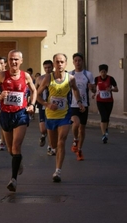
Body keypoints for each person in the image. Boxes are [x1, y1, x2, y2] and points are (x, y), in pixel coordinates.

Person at [0, 50, 37, 192]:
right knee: (11, 149)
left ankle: (13, 179)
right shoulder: (2, 75)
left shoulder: (26, 76)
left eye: (16, 59)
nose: (13, 62)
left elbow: (34, 91)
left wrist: (32, 105)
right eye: (11, 59)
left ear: (21, 61)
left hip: (21, 114)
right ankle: (18, 160)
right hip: (6, 114)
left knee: (16, 145)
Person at [36, 53, 85, 182]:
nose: (60, 64)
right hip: (50, 115)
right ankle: (50, 145)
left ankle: (58, 171)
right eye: (57, 62)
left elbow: (75, 90)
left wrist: (79, 102)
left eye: (62, 62)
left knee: (61, 141)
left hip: (64, 114)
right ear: (54, 64)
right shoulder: (48, 78)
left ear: (66, 64)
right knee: (53, 144)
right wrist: (47, 104)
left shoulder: (70, 78)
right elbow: (37, 95)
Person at [69, 53, 95, 160]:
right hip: (73, 105)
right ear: (73, 62)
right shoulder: (70, 74)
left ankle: (79, 150)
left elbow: (94, 90)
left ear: (82, 61)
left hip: (84, 105)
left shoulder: (88, 74)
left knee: (82, 129)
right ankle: (75, 139)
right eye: (75, 60)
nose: (78, 62)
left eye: (79, 60)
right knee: (76, 123)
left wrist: (92, 88)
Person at [93, 64, 118, 144]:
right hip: (100, 101)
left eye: (104, 72)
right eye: (101, 72)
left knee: (107, 117)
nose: (103, 73)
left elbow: (117, 89)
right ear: (99, 72)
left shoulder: (111, 79)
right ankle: (104, 135)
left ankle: (106, 129)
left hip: (109, 101)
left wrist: (111, 89)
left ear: (106, 72)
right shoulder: (96, 79)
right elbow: (94, 88)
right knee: (103, 117)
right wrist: (93, 93)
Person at [35, 60, 54, 154]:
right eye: (45, 68)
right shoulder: (39, 78)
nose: (47, 69)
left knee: (50, 127)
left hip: (52, 106)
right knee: (43, 129)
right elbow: (35, 91)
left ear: (53, 67)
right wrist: (32, 104)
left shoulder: (56, 78)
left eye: (49, 67)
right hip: (42, 105)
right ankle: (43, 135)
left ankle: (50, 147)